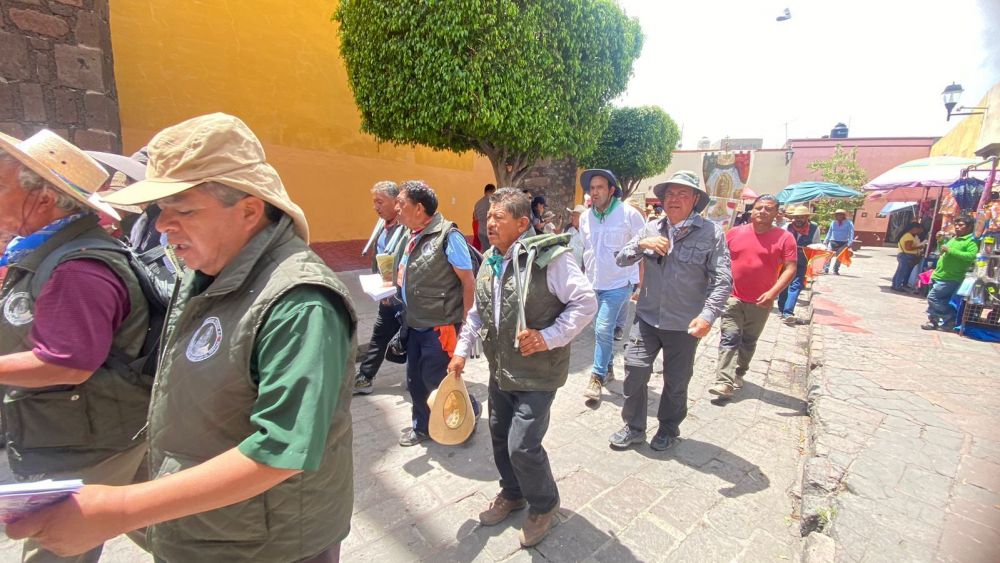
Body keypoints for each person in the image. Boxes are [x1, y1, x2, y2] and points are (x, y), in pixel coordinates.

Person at [7, 113, 358, 562]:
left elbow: (280, 450)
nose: (162, 226)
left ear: (250, 209)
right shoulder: (207, 274)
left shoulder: (299, 301)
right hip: (215, 529)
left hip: (266, 545)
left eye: (183, 209)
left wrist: (122, 507)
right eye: (160, 210)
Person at [0, 130, 151, 563]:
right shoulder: (50, 253)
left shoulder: (76, 266)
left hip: (90, 436)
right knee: (162, 531)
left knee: (52, 544)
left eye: (1, 184)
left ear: (44, 199)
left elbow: (68, 364)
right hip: (94, 425)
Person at [449, 188, 596, 548]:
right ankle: (512, 493)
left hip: (538, 373)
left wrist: (549, 336)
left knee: (523, 446)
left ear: (522, 223)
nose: (491, 223)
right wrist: (461, 351)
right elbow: (477, 312)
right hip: (501, 370)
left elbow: (586, 302)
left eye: (499, 217)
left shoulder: (550, 258)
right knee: (499, 436)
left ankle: (545, 503)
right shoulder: (489, 261)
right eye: (488, 217)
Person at [608, 170, 731, 451]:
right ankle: (634, 427)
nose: (674, 199)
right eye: (669, 194)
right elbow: (620, 258)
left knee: (676, 382)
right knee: (635, 370)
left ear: (695, 199)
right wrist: (641, 244)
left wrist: (707, 316)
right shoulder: (651, 228)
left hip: (685, 325)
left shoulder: (711, 234)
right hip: (647, 318)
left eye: (682, 194)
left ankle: (668, 429)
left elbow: (723, 280)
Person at [393, 180, 478, 446]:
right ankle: (422, 427)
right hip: (413, 321)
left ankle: (469, 413)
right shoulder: (411, 235)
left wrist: (466, 324)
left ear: (419, 208)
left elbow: (468, 282)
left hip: (440, 326)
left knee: (438, 380)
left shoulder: (448, 237)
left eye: (401, 203)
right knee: (414, 381)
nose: (396, 208)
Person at [709, 195, 797, 400]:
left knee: (748, 340)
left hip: (762, 300)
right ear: (751, 210)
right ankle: (724, 382)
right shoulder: (733, 233)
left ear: (776, 213)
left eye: (768, 209)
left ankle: (739, 371)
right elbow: (718, 260)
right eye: (759, 208)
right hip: (732, 296)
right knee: (730, 336)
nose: (762, 212)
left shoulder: (785, 238)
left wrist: (773, 293)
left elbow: (790, 268)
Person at [578, 169, 645, 404]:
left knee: (603, 329)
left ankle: (596, 377)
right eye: (591, 188)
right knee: (601, 330)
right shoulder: (584, 217)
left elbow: (643, 247)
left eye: (599, 187)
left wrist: (640, 281)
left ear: (611, 190)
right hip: (593, 283)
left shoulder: (629, 214)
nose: (594, 192)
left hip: (619, 283)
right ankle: (607, 369)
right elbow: (585, 250)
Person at [354, 180, 408, 395]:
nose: (375, 206)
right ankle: (365, 377)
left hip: (406, 299)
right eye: (374, 202)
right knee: (379, 335)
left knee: (412, 338)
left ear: (396, 202)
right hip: (387, 296)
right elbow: (380, 261)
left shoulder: (408, 229)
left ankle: (416, 378)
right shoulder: (382, 228)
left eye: (380, 201)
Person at [923, 215, 978, 331]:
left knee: (933, 297)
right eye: (956, 225)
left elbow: (971, 256)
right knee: (939, 300)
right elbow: (943, 251)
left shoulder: (970, 241)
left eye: (961, 225)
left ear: (969, 227)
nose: (957, 227)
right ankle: (933, 321)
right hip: (939, 274)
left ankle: (951, 317)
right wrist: (940, 242)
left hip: (952, 276)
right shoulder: (954, 239)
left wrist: (951, 250)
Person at [777, 205, 820, 325]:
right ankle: (781, 309)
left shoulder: (814, 229)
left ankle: (788, 313)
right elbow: (780, 242)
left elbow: (817, 245)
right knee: (784, 285)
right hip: (786, 261)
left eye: (802, 217)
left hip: (802, 262)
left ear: (807, 217)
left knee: (796, 286)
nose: (799, 220)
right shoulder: (787, 227)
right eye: (797, 217)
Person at [892, 222, 926, 292]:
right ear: (914, 229)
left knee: (900, 271)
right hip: (906, 255)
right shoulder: (908, 236)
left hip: (903, 255)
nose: (919, 232)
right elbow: (908, 248)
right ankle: (897, 286)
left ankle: (895, 284)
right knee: (902, 271)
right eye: (919, 230)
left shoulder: (908, 235)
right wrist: (920, 246)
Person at [823, 208, 854, 275]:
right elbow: (830, 232)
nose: (838, 216)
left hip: (843, 242)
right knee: (828, 255)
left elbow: (851, 233)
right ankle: (825, 269)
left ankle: (836, 270)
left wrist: (850, 242)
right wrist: (826, 240)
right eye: (837, 215)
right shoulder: (833, 223)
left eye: (840, 215)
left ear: (843, 215)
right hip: (832, 241)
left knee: (839, 257)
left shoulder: (849, 223)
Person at [473, 184, 496, 250]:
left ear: (485, 192)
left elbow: (475, 218)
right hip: (492, 232)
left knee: (485, 251)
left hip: (481, 232)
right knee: (493, 253)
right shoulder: (494, 203)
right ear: (493, 191)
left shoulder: (477, 203)